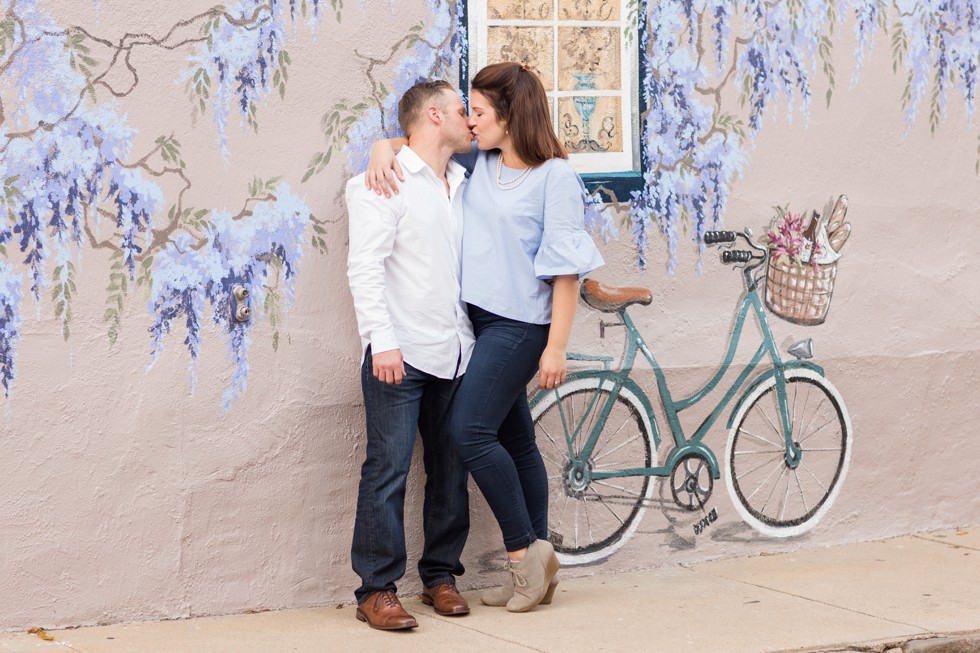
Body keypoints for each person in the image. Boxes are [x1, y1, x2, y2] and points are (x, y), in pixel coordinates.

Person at [366, 62, 604, 613]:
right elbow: (423, 142)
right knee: (516, 440)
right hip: (478, 324)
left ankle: (525, 555)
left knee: (469, 431)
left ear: (510, 115)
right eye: (467, 110)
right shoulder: (483, 161)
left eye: (478, 111)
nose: (469, 122)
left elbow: (566, 271)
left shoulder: (556, 177)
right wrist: (384, 147)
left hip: (521, 325)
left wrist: (556, 346)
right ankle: (538, 575)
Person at [345, 80, 477, 630]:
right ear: (433, 114)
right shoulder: (382, 181)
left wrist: (388, 141)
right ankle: (376, 589)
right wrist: (383, 340)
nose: (471, 120)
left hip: (456, 350)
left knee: (451, 469)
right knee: (388, 469)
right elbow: (365, 266)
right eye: (462, 109)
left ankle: (440, 577)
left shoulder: (467, 182)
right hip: (399, 353)